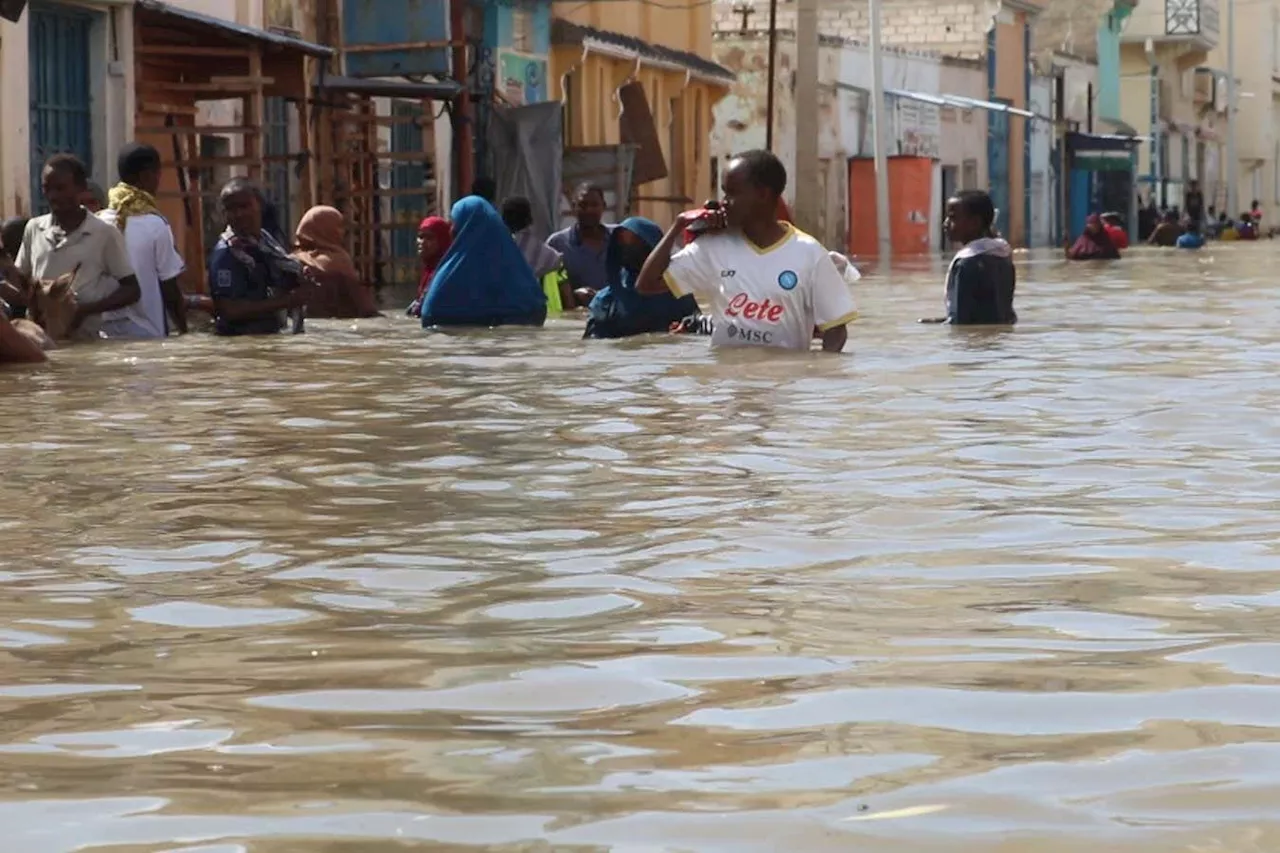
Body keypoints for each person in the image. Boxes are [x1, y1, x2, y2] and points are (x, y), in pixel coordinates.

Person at [635, 149, 855, 353]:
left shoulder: (809, 253)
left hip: (782, 387)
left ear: (763, 194)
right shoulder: (711, 248)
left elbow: (836, 330)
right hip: (727, 385)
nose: (723, 203)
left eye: (732, 193)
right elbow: (646, 284)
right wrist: (678, 226)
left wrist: (815, 377)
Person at [0, 154, 141, 342]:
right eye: (47, 188)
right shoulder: (34, 228)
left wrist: (84, 311)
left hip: (85, 342)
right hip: (41, 341)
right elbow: (22, 287)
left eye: (60, 188)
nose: (52, 196)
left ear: (81, 187)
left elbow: (132, 289)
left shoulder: (104, 233)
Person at [97, 142, 188, 338]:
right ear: (146, 176)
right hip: (148, 334)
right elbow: (170, 288)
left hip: (104, 333)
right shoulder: (156, 224)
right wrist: (184, 331)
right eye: (157, 175)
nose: (158, 182)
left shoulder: (98, 222)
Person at [420, 195, 547, 328]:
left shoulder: (445, 284)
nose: (451, 229)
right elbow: (537, 313)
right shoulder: (523, 286)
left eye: (454, 222)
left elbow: (430, 317)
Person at [207, 178, 310, 336]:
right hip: (239, 343)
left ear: (259, 205)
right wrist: (287, 302)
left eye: (244, 206)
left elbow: (277, 279)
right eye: (231, 209)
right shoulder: (227, 253)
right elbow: (230, 310)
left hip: (268, 339)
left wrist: (299, 277)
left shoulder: (264, 242)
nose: (239, 214)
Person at [584, 216, 698, 339]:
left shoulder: (678, 293)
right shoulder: (605, 302)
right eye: (622, 244)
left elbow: (698, 334)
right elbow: (594, 346)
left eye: (634, 244)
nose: (627, 250)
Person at [917, 190, 1016, 325]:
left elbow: (961, 322)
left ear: (974, 223)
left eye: (953, 218)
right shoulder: (1002, 255)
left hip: (972, 344)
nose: (945, 224)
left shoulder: (966, 264)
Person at [292, 205, 378, 319]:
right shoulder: (339, 260)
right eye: (338, 227)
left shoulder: (291, 259)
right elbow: (365, 308)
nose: (342, 232)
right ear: (325, 229)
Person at [547, 183, 614, 307]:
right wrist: (573, 296)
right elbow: (548, 290)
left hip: (617, 315)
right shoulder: (557, 244)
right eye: (583, 205)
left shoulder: (618, 238)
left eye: (594, 205)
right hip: (576, 320)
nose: (589, 210)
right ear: (573, 207)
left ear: (603, 206)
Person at [408, 216, 452, 317]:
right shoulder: (428, 271)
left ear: (442, 241)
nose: (422, 242)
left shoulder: (444, 273)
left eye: (429, 237)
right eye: (420, 237)